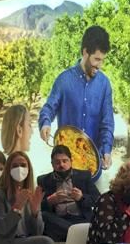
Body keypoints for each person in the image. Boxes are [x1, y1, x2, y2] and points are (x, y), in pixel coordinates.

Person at [39, 25, 114, 172]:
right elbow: (49, 108)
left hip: (92, 168)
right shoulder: (63, 80)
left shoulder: (104, 84)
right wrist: (45, 123)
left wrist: (106, 150)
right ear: (85, 52)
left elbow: (107, 123)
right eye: (96, 59)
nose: (99, 65)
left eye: (102, 60)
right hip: (65, 167)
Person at [36, 144, 99, 242]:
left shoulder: (84, 176)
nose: (61, 165)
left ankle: (73, 233)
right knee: (44, 216)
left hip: (80, 219)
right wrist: (49, 201)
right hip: (58, 220)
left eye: (65, 161)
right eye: (57, 162)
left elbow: (97, 200)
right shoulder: (43, 180)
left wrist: (81, 198)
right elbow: (36, 207)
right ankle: (77, 233)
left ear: (71, 161)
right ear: (52, 164)